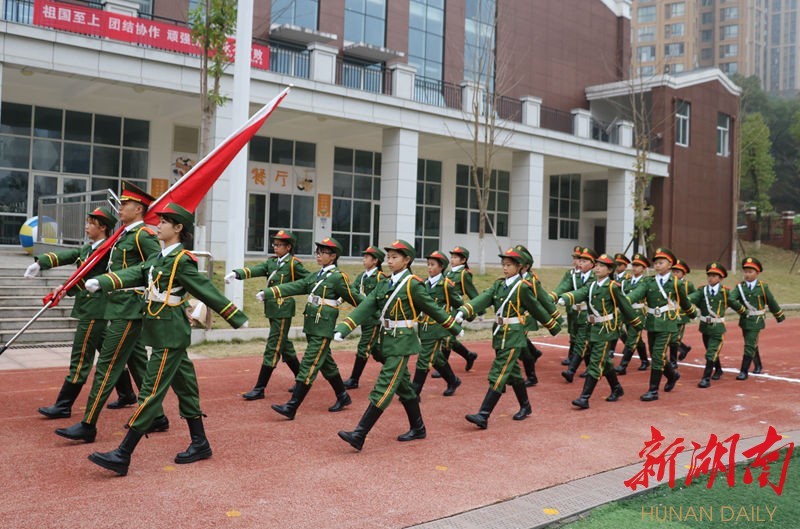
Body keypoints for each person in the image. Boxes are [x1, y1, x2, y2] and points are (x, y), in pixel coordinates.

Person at [85, 203, 248, 476]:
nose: (158, 226)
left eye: (164, 222)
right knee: (186, 388)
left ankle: (123, 453)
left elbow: (207, 290)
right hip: (162, 331)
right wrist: (106, 280)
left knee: (150, 392)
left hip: (170, 335)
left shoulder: (182, 261)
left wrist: (236, 317)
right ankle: (200, 442)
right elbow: (136, 273)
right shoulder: (160, 258)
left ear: (178, 228)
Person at [56, 181, 168, 443]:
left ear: (138, 209)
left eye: (125, 204)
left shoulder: (142, 236)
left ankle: (88, 424)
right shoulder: (123, 236)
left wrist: (116, 283)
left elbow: (154, 267)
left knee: (106, 366)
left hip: (129, 309)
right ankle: (159, 417)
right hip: (117, 306)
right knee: (139, 364)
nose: (120, 207)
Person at [334, 240, 462, 451]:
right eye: (388, 257)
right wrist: (345, 327)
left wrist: (454, 327)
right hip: (387, 340)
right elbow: (366, 306)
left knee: (384, 385)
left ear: (407, 260)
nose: (390, 261)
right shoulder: (384, 283)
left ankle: (360, 433)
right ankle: (418, 428)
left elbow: (432, 308)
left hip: (403, 342)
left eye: (395, 257)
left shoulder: (412, 284)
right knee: (405, 388)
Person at [456, 247, 561, 429]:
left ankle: (483, 415)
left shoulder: (523, 287)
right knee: (513, 374)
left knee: (499, 372)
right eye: (503, 264)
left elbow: (537, 308)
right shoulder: (499, 285)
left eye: (509, 265)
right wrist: (464, 311)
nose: (505, 268)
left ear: (519, 267)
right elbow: (483, 298)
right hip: (500, 333)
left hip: (514, 335)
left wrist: (553, 324)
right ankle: (526, 406)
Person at [26, 207, 116, 419]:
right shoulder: (88, 248)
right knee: (108, 353)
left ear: (102, 227)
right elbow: (66, 255)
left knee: (82, 355)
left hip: (96, 309)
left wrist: (66, 287)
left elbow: (86, 278)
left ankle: (64, 405)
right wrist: (40, 263)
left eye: (90, 223)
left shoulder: (107, 251)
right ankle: (128, 393)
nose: (86, 226)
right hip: (90, 308)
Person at [265, 237, 361, 420]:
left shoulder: (338, 278)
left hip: (323, 328)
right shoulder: (317, 276)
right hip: (312, 325)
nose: (318, 255)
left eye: (322, 252)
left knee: (309, 364)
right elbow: (296, 285)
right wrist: (269, 292)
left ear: (333, 256)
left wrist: (376, 315)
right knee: (326, 363)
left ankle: (292, 406)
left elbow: (357, 300)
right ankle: (343, 396)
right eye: (317, 252)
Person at [224, 230, 308, 400]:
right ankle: (302, 380)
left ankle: (260, 388)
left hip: (283, 308)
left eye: (279, 245)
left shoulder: (293, 264)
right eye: (274, 244)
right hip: (272, 309)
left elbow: (308, 281)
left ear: (288, 247)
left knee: (273, 347)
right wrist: (237, 274)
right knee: (284, 345)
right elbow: (256, 269)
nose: (275, 247)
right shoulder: (272, 262)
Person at [557, 254, 643, 408]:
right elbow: (580, 294)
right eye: (596, 265)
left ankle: (584, 398)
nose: (597, 268)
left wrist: (636, 324)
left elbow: (625, 306)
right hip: (593, 328)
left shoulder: (612, 287)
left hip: (605, 330)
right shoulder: (591, 286)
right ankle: (617, 388)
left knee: (595, 362)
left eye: (602, 266)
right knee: (606, 362)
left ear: (609, 270)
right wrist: (566, 298)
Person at [627, 247, 697, 401]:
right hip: (651, 321)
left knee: (657, 355)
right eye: (656, 263)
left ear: (670, 264)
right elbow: (636, 293)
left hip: (667, 323)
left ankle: (653, 390)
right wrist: (625, 301)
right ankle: (672, 375)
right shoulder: (648, 281)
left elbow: (684, 301)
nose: (657, 265)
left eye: (661, 262)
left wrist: (692, 312)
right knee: (655, 354)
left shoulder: (676, 283)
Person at [412, 250, 463, 398]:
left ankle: (414, 392)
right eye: (428, 264)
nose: (429, 267)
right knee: (436, 357)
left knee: (424, 358)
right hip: (425, 327)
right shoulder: (423, 284)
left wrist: (457, 319)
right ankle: (453, 380)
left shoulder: (446, 285)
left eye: (433, 265)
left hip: (438, 329)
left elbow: (459, 303)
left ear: (441, 267)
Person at [687, 263, 745, 388]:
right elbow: (692, 298)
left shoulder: (725, 292)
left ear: (721, 278)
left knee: (711, 352)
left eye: (714, 276)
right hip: (704, 327)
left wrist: (746, 313)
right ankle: (718, 370)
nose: (711, 278)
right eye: (709, 275)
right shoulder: (702, 291)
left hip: (717, 328)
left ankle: (706, 378)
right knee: (711, 351)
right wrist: (683, 299)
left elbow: (736, 305)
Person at [727, 257, 785, 379]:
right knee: (751, 343)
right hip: (744, 320)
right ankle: (758, 365)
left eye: (750, 272)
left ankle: (744, 371)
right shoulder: (740, 287)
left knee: (749, 344)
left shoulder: (763, 287)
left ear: (757, 273)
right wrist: (741, 309)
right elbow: (731, 299)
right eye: (745, 271)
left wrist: (779, 315)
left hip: (757, 320)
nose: (747, 274)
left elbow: (771, 301)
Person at [514, 244, 559, 387]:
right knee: (521, 345)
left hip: (526, 317)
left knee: (520, 346)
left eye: (517, 263)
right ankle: (534, 354)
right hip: (513, 318)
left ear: (526, 266)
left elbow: (543, 299)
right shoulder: (513, 278)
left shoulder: (532, 281)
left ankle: (531, 376)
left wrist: (556, 316)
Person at [343, 246, 387, 389]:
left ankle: (354, 379)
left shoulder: (381, 278)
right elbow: (352, 290)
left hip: (374, 319)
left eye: (367, 257)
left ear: (375, 261)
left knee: (364, 347)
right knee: (375, 350)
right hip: (364, 318)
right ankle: (393, 366)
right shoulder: (362, 276)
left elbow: (381, 298)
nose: (364, 259)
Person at [555, 247, 596, 383]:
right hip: (576, 313)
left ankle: (571, 370)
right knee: (584, 344)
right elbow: (563, 286)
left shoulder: (594, 278)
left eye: (584, 261)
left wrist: (566, 298)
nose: (580, 263)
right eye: (580, 260)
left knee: (581, 342)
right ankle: (591, 368)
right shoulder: (575, 276)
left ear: (592, 264)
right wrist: (553, 296)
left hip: (589, 314)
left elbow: (583, 291)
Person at [440, 246, 479, 371]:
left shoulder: (464, 274)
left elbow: (472, 293)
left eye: (455, 257)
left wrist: (478, 309)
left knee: (447, 337)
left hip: (456, 310)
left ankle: (443, 368)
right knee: (447, 337)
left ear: (463, 260)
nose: (452, 259)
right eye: (451, 257)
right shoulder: (447, 273)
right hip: (444, 308)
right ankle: (469, 355)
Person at [615, 253, 650, 374]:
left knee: (632, 338)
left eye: (638, 266)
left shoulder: (646, 281)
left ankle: (623, 366)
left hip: (638, 312)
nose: (635, 268)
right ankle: (645, 360)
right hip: (626, 312)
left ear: (644, 268)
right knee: (633, 337)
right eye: (634, 265)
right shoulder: (626, 281)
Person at [552, 245, 583, 366]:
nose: (575, 260)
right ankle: (572, 356)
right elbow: (562, 286)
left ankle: (577, 357)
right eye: (575, 257)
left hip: (584, 309)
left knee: (583, 335)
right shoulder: (570, 274)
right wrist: (554, 297)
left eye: (578, 258)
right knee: (572, 332)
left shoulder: (588, 275)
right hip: (572, 308)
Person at [669, 258, 695, 367]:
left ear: (683, 273)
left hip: (681, 315)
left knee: (674, 339)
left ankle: (673, 362)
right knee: (670, 338)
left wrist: (687, 300)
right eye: (673, 271)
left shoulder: (687, 285)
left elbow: (695, 295)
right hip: (670, 314)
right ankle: (684, 349)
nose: (675, 274)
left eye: (677, 272)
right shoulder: (669, 283)